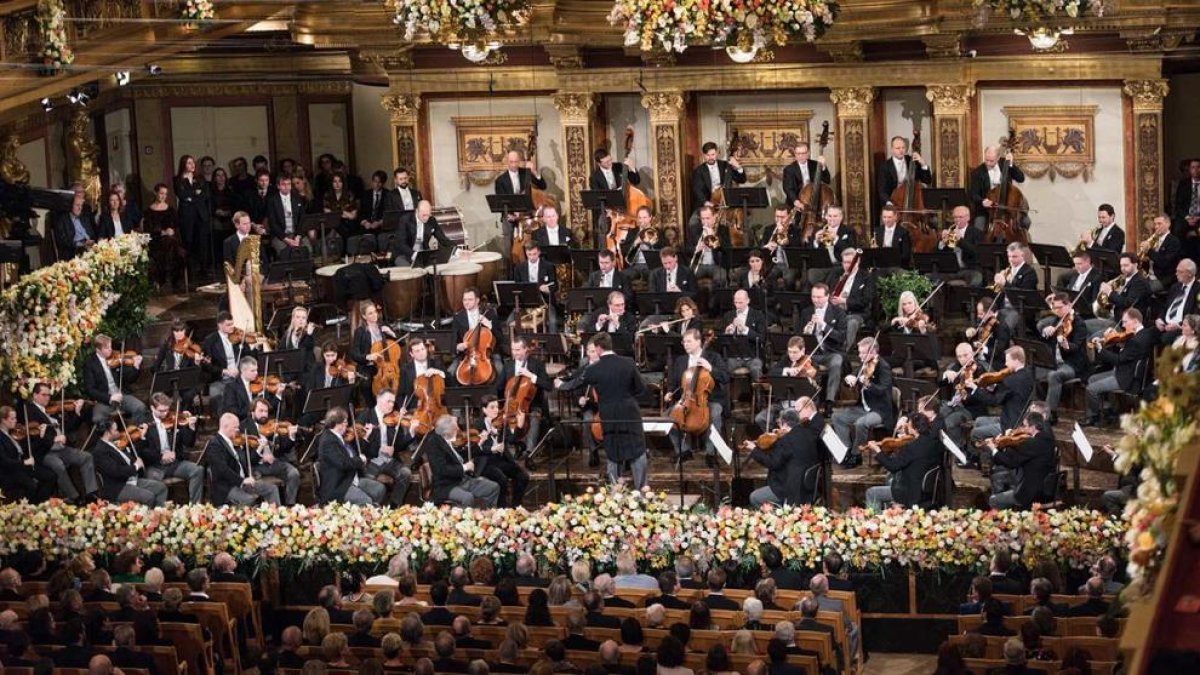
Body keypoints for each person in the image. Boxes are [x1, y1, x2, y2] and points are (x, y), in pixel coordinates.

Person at [555, 333, 649, 488]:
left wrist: (560, 385)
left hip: (608, 415)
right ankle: (642, 491)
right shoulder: (629, 362)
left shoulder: (594, 369)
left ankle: (615, 493)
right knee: (637, 451)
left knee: (613, 452)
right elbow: (641, 389)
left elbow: (573, 384)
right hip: (630, 413)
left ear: (598, 348)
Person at [666, 328, 730, 466]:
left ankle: (711, 454)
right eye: (684, 342)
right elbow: (674, 381)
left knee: (715, 414)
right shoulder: (681, 361)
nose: (685, 344)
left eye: (689, 341)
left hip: (710, 398)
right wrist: (670, 392)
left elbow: (725, 377)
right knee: (669, 417)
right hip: (687, 399)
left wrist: (711, 368)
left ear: (699, 341)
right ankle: (684, 451)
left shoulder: (713, 357)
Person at [1084, 308, 1157, 426]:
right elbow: (1129, 353)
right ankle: (1109, 410)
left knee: (1091, 388)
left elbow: (1118, 360)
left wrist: (1100, 349)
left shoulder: (1135, 341)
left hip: (1126, 378)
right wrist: (1115, 342)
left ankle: (1093, 417)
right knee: (1092, 379)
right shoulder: (1146, 334)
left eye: (1125, 322)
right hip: (1127, 372)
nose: (1122, 325)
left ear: (1135, 321)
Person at [744, 403, 823, 507]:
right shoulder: (808, 433)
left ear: (785, 424)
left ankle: (777, 518)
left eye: (780, 424)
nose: (779, 427)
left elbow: (772, 463)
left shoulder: (787, 441)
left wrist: (754, 449)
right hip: (806, 486)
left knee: (754, 497)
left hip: (790, 489)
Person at [831, 338, 895, 467]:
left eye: (862, 353)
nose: (859, 356)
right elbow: (852, 379)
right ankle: (845, 451)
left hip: (880, 409)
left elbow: (883, 390)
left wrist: (867, 383)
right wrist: (848, 380)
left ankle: (856, 455)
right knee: (837, 417)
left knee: (861, 423)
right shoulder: (864, 364)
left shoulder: (883, 367)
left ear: (873, 352)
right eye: (859, 352)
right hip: (863, 407)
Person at [863, 412, 943, 510]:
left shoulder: (912, 447)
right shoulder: (935, 443)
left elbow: (892, 466)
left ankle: (875, 521)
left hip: (912, 493)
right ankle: (892, 510)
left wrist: (877, 450)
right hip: (927, 490)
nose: (907, 427)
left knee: (872, 492)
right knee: (890, 479)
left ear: (916, 429)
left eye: (909, 426)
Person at [137, 392, 205, 503]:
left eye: (166, 410)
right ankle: (158, 512)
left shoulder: (175, 418)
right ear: (152, 408)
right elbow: (143, 451)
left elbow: (189, 443)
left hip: (175, 463)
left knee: (197, 470)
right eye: (161, 411)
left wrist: (191, 427)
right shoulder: (143, 422)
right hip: (155, 465)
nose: (165, 413)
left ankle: (195, 506)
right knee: (153, 484)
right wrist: (161, 456)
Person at [204, 412, 281, 505]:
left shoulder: (235, 442)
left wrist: (259, 448)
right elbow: (222, 469)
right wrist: (242, 480)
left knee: (272, 489)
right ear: (225, 426)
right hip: (227, 487)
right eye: (235, 427)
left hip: (243, 482)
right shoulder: (215, 444)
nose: (237, 430)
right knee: (250, 500)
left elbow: (246, 460)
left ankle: (276, 517)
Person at [425, 414, 500, 507]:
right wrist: (465, 467)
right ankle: (465, 520)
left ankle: (485, 516)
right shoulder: (434, 445)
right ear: (446, 431)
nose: (457, 429)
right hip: (445, 485)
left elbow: (462, 454)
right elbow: (441, 470)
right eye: (455, 428)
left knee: (493, 487)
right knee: (467, 498)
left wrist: (481, 443)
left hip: (462, 480)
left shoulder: (450, 439)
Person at [495, 335, 551, 460]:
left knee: (534, 418)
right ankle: (513, 446)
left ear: (526, 349)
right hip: (511, 404)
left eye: (518, 350)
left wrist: (531, 376)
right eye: (513, 350)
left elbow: (548, 386)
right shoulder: (508, 365)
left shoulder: (537, 365)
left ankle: (529, 453)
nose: (515, 353)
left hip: (532, 405)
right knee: (501, 420)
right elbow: (498, 386)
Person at [469, 395, 530, 507]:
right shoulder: (478, 425)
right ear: (484, 410)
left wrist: (520, 425)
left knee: (523, 476)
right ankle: (502, 508)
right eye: (492, 407)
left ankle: (516, 506)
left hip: (501, 460)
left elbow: (512, 439)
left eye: (497, 407)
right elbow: (474, 450)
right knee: (501, 478)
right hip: (486, 462)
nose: (496, 410)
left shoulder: (501, 422)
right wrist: (492, 449)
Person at [354, 389, 413, 506]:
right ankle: (372, 509)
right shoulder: (365, 417)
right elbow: (358, 448)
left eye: (393, 402)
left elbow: (400, 444)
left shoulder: (394, 418)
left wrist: (411, 432)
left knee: (406, 473)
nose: (392, 405)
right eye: (388, 401)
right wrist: (371, 441)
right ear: (378, 399)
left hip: (389, 460)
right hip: (371, 460)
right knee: (369, 480)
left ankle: (394, 506)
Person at [316, 407, 386, 505]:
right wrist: (360, 460)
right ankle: (366, 514)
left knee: (379, 489)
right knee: (366, 502)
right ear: (337, 424)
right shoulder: (328, 441)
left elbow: (356, 453)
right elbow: (343, 463)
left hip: (351, 478)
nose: (347, 425)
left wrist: (365, 437)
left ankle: (371, 512)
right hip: (339, 485)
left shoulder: (340, 437)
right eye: (345, 422)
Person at [987, 412, 1057, 509]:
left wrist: (993, 449)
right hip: (1045, 487)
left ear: (1033, 427)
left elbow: (1011, 463)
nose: (1022, 429)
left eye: (1025, 426)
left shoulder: (1031, 444)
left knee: (993, 500)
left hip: (1031, 493)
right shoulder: (1047, 438)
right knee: (1001, 477)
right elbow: (1019, 454)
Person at [93, 417, 168, 506]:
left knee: (161, 488)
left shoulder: (114, 442)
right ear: (107, 433)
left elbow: (134, 452)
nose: (118, 432)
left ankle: (158, 513)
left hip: (130, 480)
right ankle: (146, 517)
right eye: (116, 430)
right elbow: (116, 471)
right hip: (118, 487)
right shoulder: (100, 451)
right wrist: (136, 466)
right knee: (148, 497)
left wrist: (142, 437)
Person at [1037, 293, 1088, 424]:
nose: (1057, 311)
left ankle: (1050, 415)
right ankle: (1039, 409)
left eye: (1060, 307)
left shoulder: (1079, 323)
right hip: (1055, 362)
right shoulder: (1057, 320)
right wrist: (1046, 331)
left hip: (1072, 364)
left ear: (1069, 305)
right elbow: (1044, 336)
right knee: (1033, 372)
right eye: (1055, 308)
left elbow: (1076, 347)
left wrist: (1066, 345)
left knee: (1054, 375)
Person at [241, 398, 303, 505]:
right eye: (261, 411)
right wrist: (261, 454)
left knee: (294, 473)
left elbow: (283, 448)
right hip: (256, 466)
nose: (264, 414)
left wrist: (291, 436)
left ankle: (290, 505)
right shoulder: (244, 427)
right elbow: (245, 458)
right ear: (252, 412)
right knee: (259, 482)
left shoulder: (272, 426)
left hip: (274, 463)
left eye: (266, 411)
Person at [798, 283, 847, 412]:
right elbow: (798, 339)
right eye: (813, 297)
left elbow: (841, 337)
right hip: (813, 352)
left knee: (836, 362)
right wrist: (806, 332)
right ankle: (810, 401)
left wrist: (824, 325)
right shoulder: (806, 312)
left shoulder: (838, 313)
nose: (816, 300)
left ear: (827, 297)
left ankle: (829, 401)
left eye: (819, 297)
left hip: (832, 352)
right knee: (802, 362)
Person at [83, 334, 147, 424]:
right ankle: (108, 437)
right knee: (98, 418)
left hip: (121, 396)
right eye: (106, 348)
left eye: (110, 346)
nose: (110, 349)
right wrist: (110, 398)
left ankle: (131, 432)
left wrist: (136, 366)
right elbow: (90, 389)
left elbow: (129, 379)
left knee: (140, 407)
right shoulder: (90, 364)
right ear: (98, 350)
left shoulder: (116, 358)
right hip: (105, 400)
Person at [494, 149, 547, 257]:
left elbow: (543, 186)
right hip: (509, 215)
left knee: (534, 238)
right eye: (511, 162)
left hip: (526, 214)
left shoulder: (526, 173)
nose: (514, 165)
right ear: (507, 162)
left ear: (519, 162)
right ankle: (509, 269)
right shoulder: (500, 180)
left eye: (516, 162)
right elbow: (501, 202)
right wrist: (511, 214)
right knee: (508, 243)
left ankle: (531, 263)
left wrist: (534, 172)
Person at [0, 405, 56, 502]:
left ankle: (38, 504)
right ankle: (29, 507)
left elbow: (26, 449)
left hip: (20, 467)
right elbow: (4, 461)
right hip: (8, 471)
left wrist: (41, 437)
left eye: (15, 418)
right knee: (31, 485)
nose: (15, 421)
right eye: (12, 418)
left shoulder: (12, 433)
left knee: (50, 476)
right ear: (3, 420)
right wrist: (24, 463)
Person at [450, 288, 504, 384]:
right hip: (466, 355)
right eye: (464, 300)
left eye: (470, 299)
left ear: (477, 300)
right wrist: (459, 347)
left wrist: (490, 325)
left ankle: (495, 396)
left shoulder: (490, 314)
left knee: (500, 369)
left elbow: (500, 338)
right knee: (451, 372)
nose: (466, 302)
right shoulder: (458, 318)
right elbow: (453, 344)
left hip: (487, 354)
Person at [589, 147, 641, 248]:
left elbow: (636, 181)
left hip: (624, 210)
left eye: (610, 160)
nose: (610, 163)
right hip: (607, 212)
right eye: (606, 162)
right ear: (599, 163)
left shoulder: (618, 167)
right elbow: (598, 198)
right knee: (603, 226)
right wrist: (608, 210)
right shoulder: (594, 178)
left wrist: (632, 168)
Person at [968, 145, 1026, 232]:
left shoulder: (1005, 164)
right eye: (986, 160)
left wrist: (1011, 164)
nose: (988, 163)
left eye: (991, 161)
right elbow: (973, 194)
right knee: (978, 227)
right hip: (986, 210)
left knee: (1026, 222)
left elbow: (1021, 179)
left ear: (998, 158)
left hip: (1007, 208)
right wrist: (982, 201)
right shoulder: (977, 172)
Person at [825, 248, 873, 352]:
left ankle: (842, 351)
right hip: (835, 311)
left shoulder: (866, 277)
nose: (847, 265)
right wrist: (829, 298)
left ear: (857, 262)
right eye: (845, 262)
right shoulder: (836, 273)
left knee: (851, 322)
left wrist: (844, 301)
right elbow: (825, 290)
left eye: (850, 262)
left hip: (856, 312)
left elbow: (866, 300)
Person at [144, 182, 187, 290]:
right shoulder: (149, 211)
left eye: (165, 194)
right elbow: (148, 230)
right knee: (169, 244)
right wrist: (162, 232)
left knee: (171, 244)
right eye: (161, 193)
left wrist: (172, 231)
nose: (163, 196)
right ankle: (168, 279)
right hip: (155, 240)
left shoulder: (171, 210)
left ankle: (171, 280)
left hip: (171, 240)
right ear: (155, 193)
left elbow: (177, 227)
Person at [175, 154, 213, 276]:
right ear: (183, 165)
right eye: (189, 163)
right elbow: (182, 195)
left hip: (201, 214)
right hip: (187, 215)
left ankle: (204, 268)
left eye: (193, 163)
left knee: (202, 242)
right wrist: (195, 194)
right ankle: (189, 269)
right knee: (188, 241)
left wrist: (193, 197)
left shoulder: (200, 178)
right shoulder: (178, 179)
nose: (192, 165)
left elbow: (206, 194)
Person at [511, 242, 559, 332]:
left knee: (553, 322)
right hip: (526, 303)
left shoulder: (548, 266)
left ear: (539, 252)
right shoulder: (519, 268)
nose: (532, 257)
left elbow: (555, 285)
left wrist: (547, 289)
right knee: (509, 321)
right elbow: (517, 287)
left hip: (545, 302)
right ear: (526, 253)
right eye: (529, 254)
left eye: (534, 254)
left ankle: (552, 345)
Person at [392, 199, 454, 267]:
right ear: (417, 211)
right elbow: (401, 244)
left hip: (423, 254)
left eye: (428, 215)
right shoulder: (405, 220)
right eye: (423, 215)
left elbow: (442, 239)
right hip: (405, 254)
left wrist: (457, 250)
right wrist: (414, 255)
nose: (426, 218)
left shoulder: (432, 220)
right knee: (412, 272)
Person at [722, 289, 767, 380]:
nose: (738, 306)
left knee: (756, 368)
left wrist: (745, 330)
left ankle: (758, 392)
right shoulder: (728, 315)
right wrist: (727, 333)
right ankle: (728, 393)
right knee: (723, 369)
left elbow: (762, 338)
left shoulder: (758, 315)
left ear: (748, 301)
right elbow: (722, 341)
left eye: (741, 303)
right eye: (736, 303)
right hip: (734, 356)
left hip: (753, 355)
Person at [877, 135, 931, 211]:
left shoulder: (912, 161)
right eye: (898, 148)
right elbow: (882, 190)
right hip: (894, 202)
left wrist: (923, 163)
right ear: (892, 149)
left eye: (903, 148)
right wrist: (889, 203)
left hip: (912, 201)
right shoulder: (885, 166)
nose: (901, 150)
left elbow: (927, 180)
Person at [691, 141, 745, 215]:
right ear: (703, 155)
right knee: (692, 223)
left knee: (739, 214)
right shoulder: (699, 171)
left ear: (717, 153)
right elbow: (697, 190)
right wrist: (705, 202)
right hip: (707, 203)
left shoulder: (725, 165)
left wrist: (738, 167)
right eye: (708, 155)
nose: (710, 158)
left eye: (713, 154)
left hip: (725, 203)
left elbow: (741, 180)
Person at [783, 143, 832, 220]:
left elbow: (827, 180)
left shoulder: (815, 164)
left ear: (808, 153)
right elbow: (788, 188)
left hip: (815, 200)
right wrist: (796, 202)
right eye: (798, 154)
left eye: (803, 153)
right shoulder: (789, 169)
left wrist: (823, 166)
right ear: (795, 154)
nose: (801, 156)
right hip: (798, 201)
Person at [267, 173, 311, 255]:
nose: (286, 187)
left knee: (308, 250)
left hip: (297, 233)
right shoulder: (272, 201)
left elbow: (302, 219)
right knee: (285, 253)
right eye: (283, 184)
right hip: (280, 235)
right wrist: (286, 239)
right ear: (278, 186)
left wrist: (298, 236)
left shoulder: (297, 198)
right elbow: (273, 223)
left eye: (288, 184)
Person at [52, 189, 96, 260]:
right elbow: (62, 241)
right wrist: (81, 244)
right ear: (71, 205)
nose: (80, 208)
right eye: (77, 205)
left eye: (81, 206)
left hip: (89, 248)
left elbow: (91, 233)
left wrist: (91, 241)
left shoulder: (84, 218)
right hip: (73, 252)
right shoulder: (63, 220)